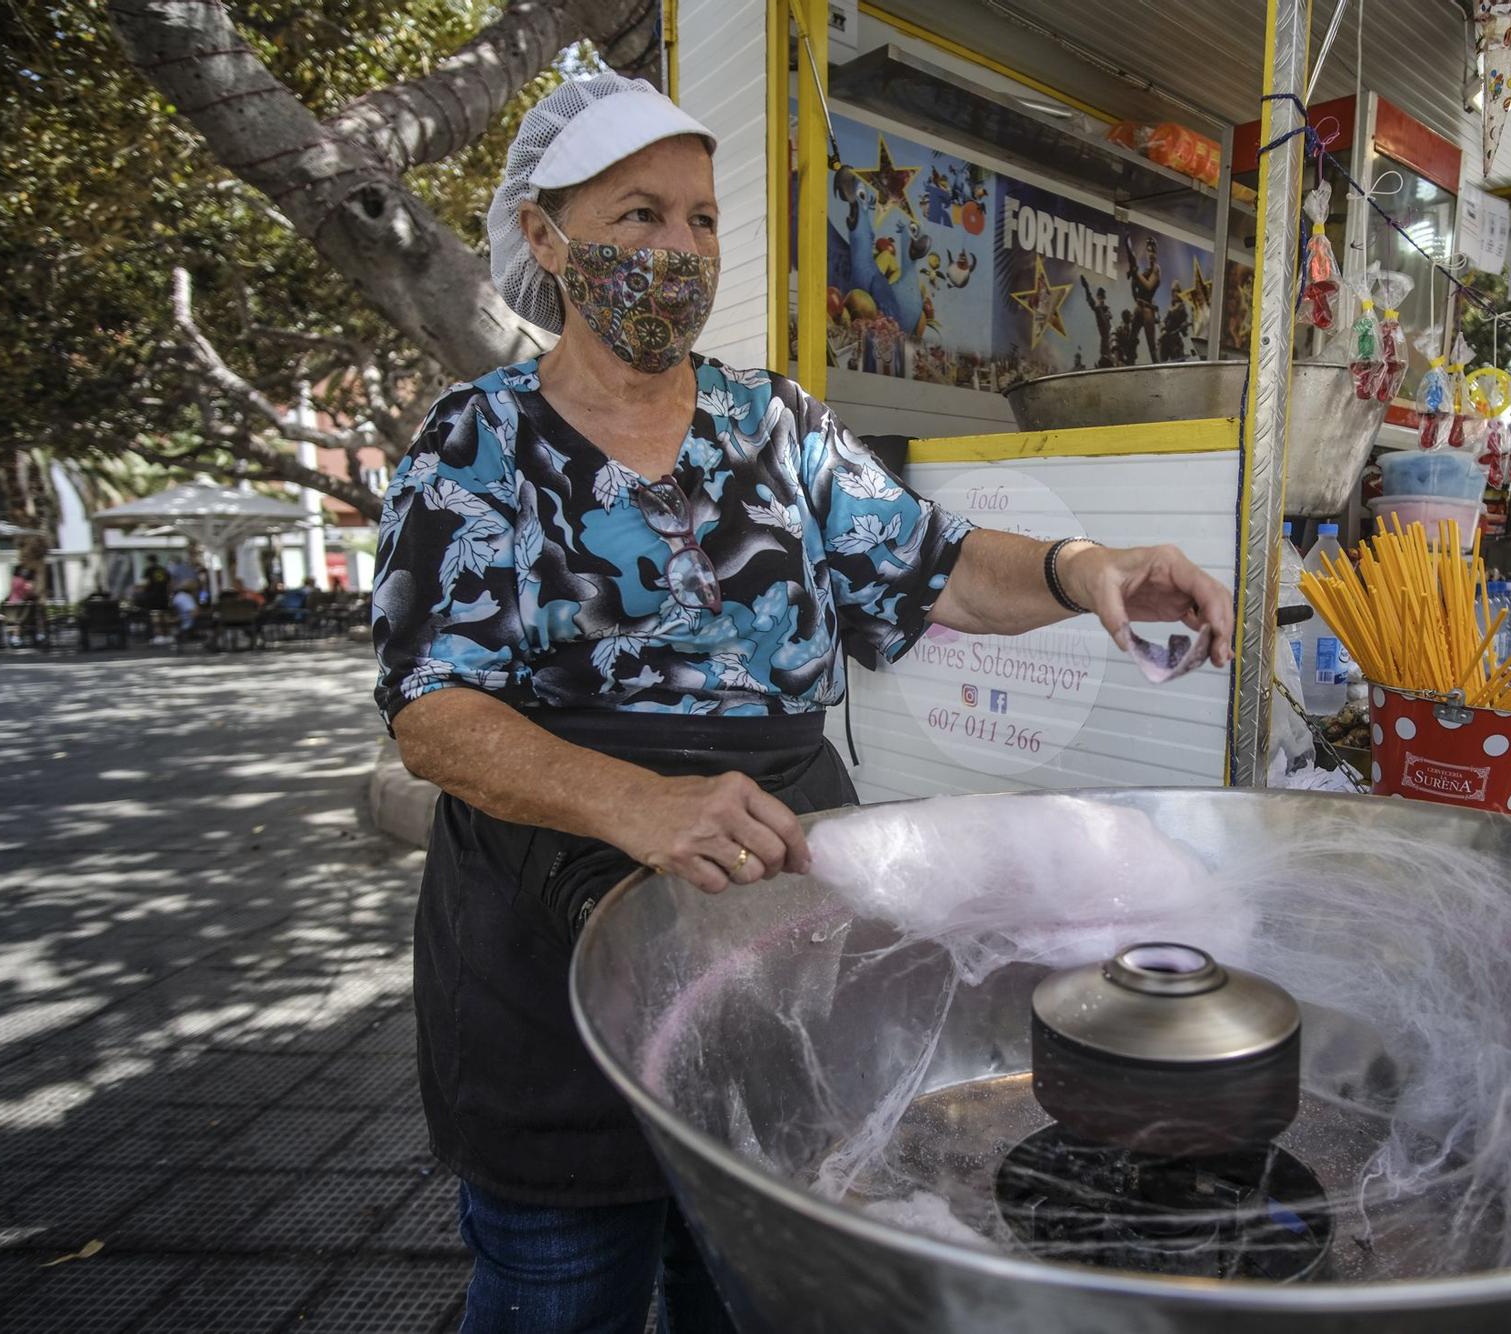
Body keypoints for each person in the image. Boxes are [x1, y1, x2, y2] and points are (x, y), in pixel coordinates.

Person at [373, 71, 1234, 1334]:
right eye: (638, 215)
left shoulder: (771, 425)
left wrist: (1082, 568)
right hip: (546, 925)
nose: (678, 250)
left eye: (700, 221)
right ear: (549, 236)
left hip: (771, 916)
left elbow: (934, 565)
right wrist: (636, 802)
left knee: (748, 1271)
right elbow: (431, 710)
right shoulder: (477, 441)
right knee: (561, 1284)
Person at [1127, 234, 1162, 364]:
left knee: (1151, 347)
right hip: (1139, 308)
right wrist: (1133, 276)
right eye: (1149, 250)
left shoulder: (1156, 269)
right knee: (1131, 342)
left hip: (1148, 310)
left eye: (1153, 251)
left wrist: (1136, 274)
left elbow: (1148, 286)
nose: (1151, 253)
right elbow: (1135, 290)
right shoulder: (1146, 270)